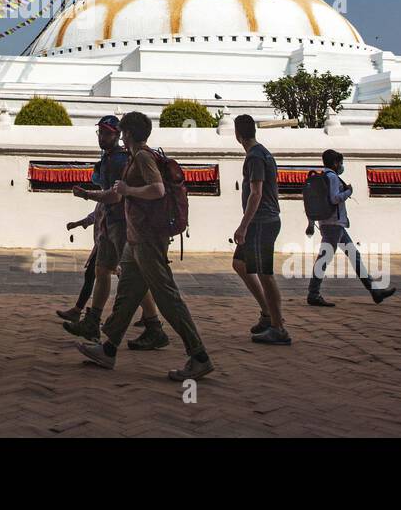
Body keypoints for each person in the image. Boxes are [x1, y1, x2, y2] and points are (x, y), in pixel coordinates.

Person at [74, 111, 214, 381]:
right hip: (136, 239)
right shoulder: (135, 158)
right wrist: (90, 194)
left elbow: (157, 189)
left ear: (127, 133)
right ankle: (109, 349)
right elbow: (117, 194)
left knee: (166, 296)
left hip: (149, 240)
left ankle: (199, 355)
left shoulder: (144, 157)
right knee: (126, 295)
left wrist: (129, 191)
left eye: (123, 133)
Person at [62, 115, 167, 349]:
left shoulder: (124, 159)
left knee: (131, 279)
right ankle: (92, 320)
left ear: (121, 134)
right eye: (100, 132)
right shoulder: (112, 158)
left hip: (122, 224)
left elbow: (116, 195)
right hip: (110, 223)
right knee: (102, 271)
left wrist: (87, 195)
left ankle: (153, 325)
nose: (103, 137)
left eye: (108, 133)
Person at [307, 149, 396, 306]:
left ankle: (375, 291)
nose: (341, 166)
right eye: (340, 162)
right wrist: (348, 192)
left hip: (331, 224)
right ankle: (313, 293)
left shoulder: (322, 177)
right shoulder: (333, 177)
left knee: (354, 256)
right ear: (335, 163)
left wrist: (311, 224)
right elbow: (335, 199)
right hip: (334, 224)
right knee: (325, 258)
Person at [233, 114, 290, 345]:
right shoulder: (262, 152)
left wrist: (243, 226)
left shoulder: (255, 157)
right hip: (263, 220)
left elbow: (256, 193)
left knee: (265, 274)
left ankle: (278, 328)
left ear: (237, 134)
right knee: (240, 264)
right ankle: (267, 314)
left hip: (261, 222)